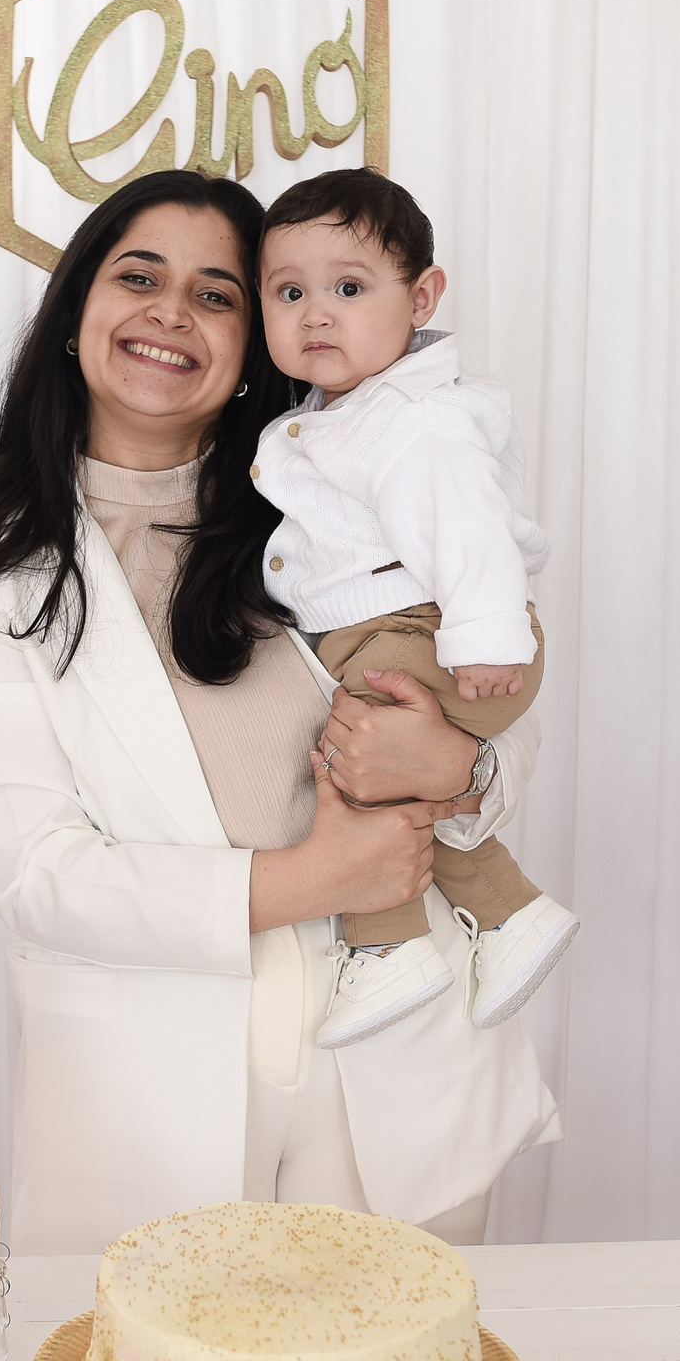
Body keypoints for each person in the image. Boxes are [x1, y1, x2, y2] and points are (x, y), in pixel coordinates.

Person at [0, 169, 560, 1255]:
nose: (170, 312)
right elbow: (36, 874)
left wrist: (457, 764)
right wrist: (310, 879)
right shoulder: (3, 584)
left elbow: (500, 689)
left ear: (258, 340)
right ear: (74, 315)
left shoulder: (325, 512)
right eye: (138, 277)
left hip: (389, 1070)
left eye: (216, 294)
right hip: (157, 1097)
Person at [251, 170, 582, 1048]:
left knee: (352, 752)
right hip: (401, 632)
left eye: (349, 289)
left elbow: (470, 529)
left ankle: (386, 942)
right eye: (290, 293)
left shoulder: (416, 420)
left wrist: (485, 638)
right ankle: (507, 912)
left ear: (422, 295)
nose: (316, 314)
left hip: (438, 634)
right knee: (380, 759)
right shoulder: (350, 412)